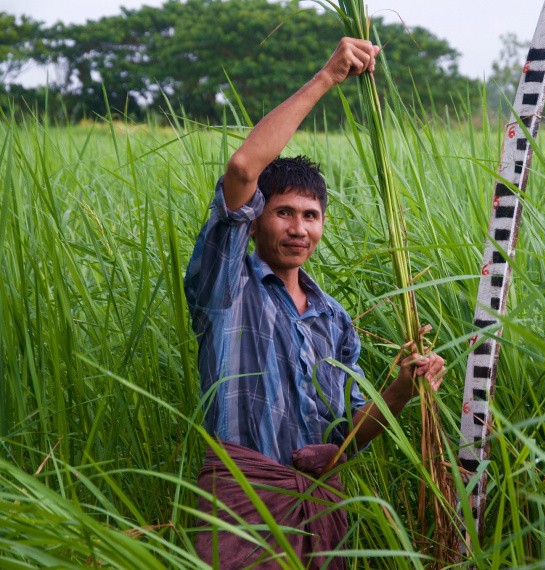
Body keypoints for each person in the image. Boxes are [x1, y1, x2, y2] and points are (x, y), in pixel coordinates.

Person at [184, 37, 445, 569]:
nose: (298, 228)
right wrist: (328, 76)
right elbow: (240, 169)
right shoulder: (227, 288)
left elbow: (350, 432)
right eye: (283, 213)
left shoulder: (334, 320)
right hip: (243, 507)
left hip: (322, 512)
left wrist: (400, 389)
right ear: (256, 217)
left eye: (310, 215)